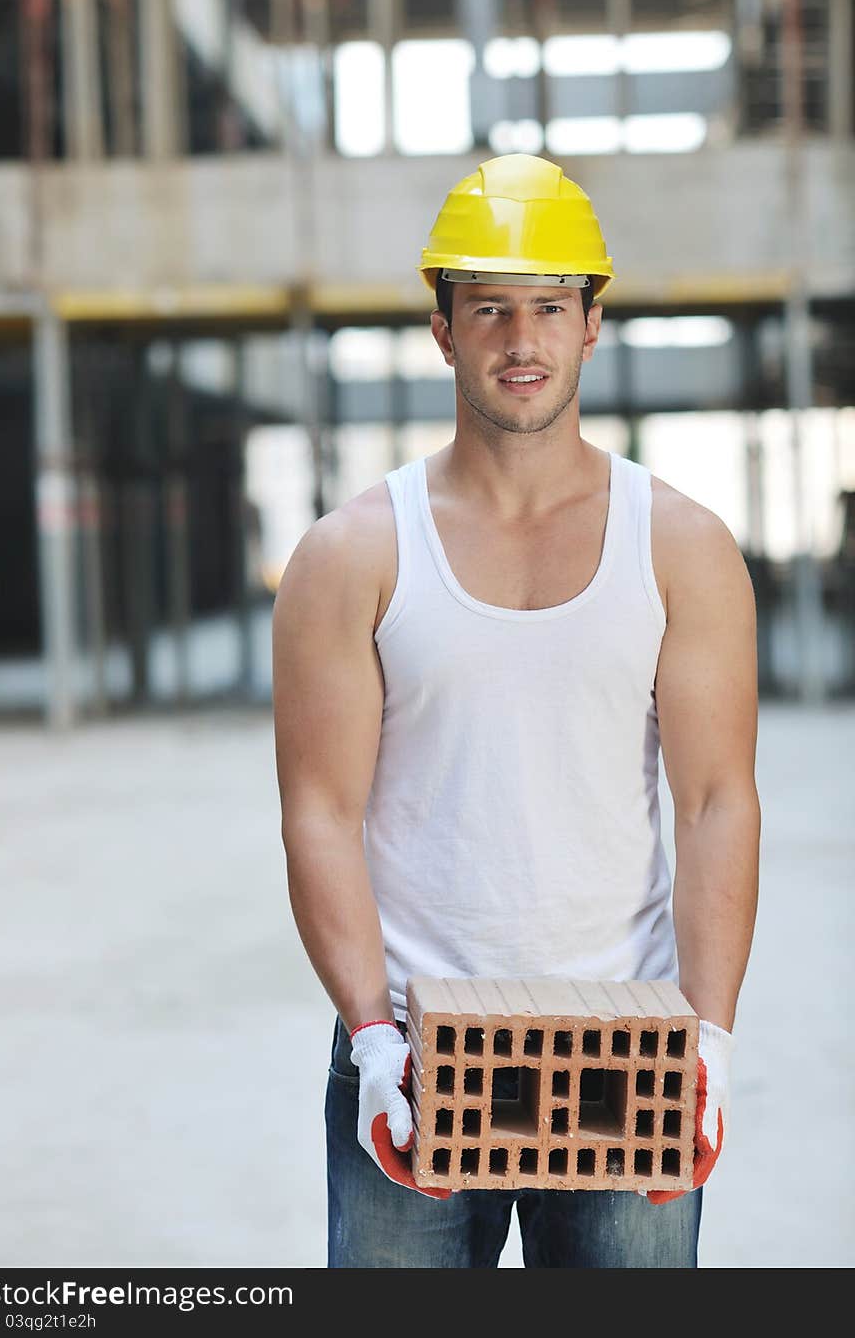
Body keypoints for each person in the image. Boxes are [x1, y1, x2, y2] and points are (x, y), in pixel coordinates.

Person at [271, 153, 761, 1268]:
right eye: (488, 308)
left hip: (627, 1048)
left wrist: (710, 1036)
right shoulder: (355, 553)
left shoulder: (680, 546)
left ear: (593, 323)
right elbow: (317, 811)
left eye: (548, 306)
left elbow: (716, 801)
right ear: (442, 329)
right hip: (415, 1047)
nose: (520, 339)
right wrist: (372, 1037)